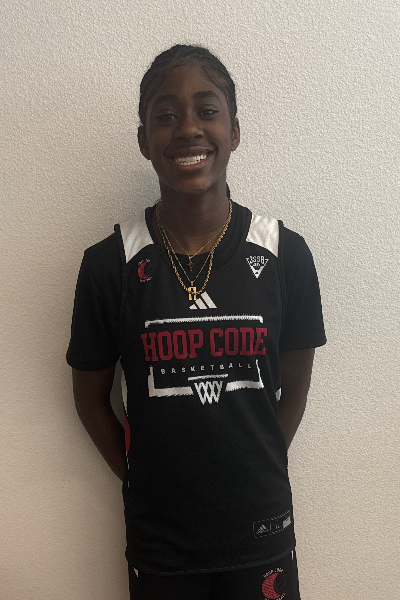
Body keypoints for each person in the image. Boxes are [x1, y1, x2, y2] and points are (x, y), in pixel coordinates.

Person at [67, 44, 326, 600]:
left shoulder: (286, 255)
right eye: (166, 115)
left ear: (235, 131)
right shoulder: (109, 265)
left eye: (207, 111)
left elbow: (295, 388)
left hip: (261, 533)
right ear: (144, 139)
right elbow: (90, 399)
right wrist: (142, 480)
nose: (188, 128)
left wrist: (254, 472)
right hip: (162, 542)